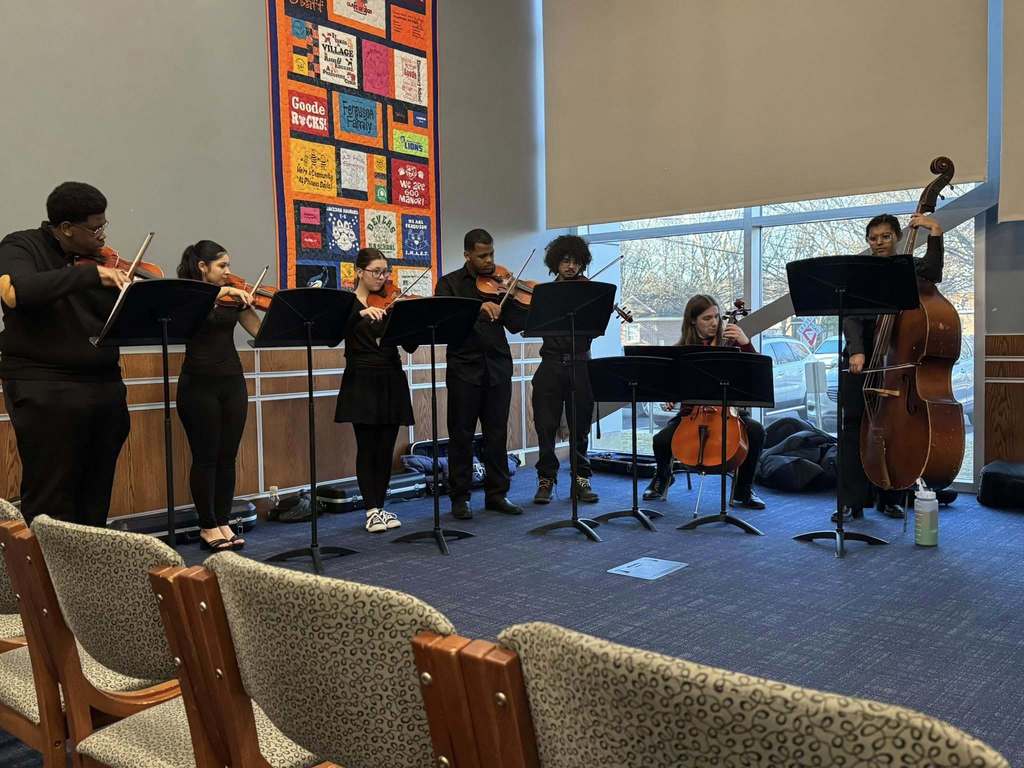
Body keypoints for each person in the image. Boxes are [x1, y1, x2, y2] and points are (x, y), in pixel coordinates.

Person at [0, 181, 131, 526]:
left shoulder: (100, 262)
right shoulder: (21, 245)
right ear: (66, 229)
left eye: (104, 225)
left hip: (104, 387)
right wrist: (86, 275)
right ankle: (44, 578)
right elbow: (19, 291)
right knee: (51, 496)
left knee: (96, 492)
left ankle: (85, 575)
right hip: (46, 386)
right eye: (94, 228)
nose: (102, 235)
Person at [836, 212, 944, 522]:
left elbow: (934, 272)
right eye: (873, 238)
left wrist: (935, 232)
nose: (879, 242)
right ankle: (851, 501)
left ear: (896, 237)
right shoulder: (859, 273)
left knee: (896, 429)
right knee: (852, 427)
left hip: (895, 359)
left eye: (885, 236)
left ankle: (892, 497)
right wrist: (857, 352)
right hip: (863, 358)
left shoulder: (908, 268)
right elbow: (851, 315)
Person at [175, 241, 263, 551]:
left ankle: (223, 521)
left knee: (227, 457)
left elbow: (259, 332)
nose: (229, 272)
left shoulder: (232, 299)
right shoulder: (187, 295)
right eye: (222, 266)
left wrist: (253, 305)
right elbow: (185, 320)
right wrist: (222, 293)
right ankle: (207, 525)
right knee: (206, 457)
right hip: (198, 385)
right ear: (202, 266)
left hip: (232, 383)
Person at [435, 228, 527, 519]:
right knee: (461, 435)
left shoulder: (501, 283)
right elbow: (447, 323)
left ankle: (497, 494)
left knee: (497, 434)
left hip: (498, 367)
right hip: (464, 369)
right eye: (482, 255)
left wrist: (511, 298)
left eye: (492, 254)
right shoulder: (448, 284)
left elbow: (515, 325)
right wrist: (478, 308)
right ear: (467, 255)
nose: (489, 261)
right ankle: (460, 498)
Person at [642, 294, 767, 509]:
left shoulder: (732, 345)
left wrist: (746, 343)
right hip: (692, 413)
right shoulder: (682, 349)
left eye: (717, 317)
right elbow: (673, 384)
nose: (714, 323)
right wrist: (671, 398)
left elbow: (754, 373)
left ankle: (743, 489)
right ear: (693, 321)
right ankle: (663, 477)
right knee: (661, 440)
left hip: (728, 411)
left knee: (756, 431)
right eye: (707, 318)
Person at [334, 248, 416, 533]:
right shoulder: (347, 304)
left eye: (385, 272)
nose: (382, 278)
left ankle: (380, 507)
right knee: (367, 447)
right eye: (376, 272)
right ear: (359, 272)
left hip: (392, 376)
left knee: (385, 448)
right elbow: (335, 335)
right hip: (362, 377)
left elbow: (410, 346)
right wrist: (360, 316)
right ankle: (370, 510)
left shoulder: (391, 302)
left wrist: (410, 320)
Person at [531, 235, 599, 505]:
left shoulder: (590, 292)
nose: (571, 267)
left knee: (580, 427)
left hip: (580, 363)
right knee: (545, 426)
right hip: (549, 364)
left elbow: (596, 329)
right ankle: (546, 479)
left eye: (576, 262)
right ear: (555, 262)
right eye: (565, 260)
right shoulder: (544, 293)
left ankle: (581, 479)